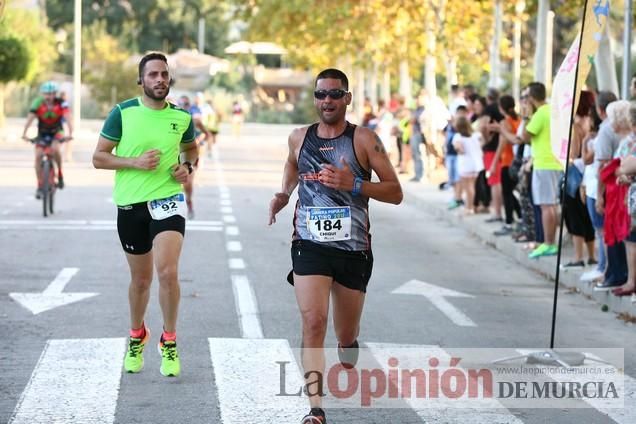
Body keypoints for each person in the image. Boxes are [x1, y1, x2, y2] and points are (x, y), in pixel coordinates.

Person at [268, 68, 403, 424]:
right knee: (313, 321)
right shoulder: (299, 137)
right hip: (309, 243)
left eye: (334, 94)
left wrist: (354, 184)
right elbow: (291, 164)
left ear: (347, 98)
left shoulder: (364, 140)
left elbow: (396, 192)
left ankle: (349, 343)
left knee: (345, 334)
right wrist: (284, 193)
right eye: (320, 94)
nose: (326, 100)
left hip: (353, 249)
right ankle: (315, 409)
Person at [92, 52, 198, 377]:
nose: (159, 80)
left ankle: (169, 340)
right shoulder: (122, 113)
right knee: (141, 281)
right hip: (131, 206)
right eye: (152, 74)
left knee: (167, 273)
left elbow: (191, 149)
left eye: (164, 74)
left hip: (167, 200)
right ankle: (137, 334)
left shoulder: (181, 117)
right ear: (142, 80)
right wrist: (134, 162)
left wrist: (188, 167)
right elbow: (98, 158)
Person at [517, 82, 563, 259]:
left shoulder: (540, 113)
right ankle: (549, 241)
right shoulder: (552, 110)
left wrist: (526, 116)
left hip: (544, 163)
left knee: (546, 206)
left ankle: (549, 243)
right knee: (550, 205)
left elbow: (524, 137)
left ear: (531, 98)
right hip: (554, 162)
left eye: (526, 96)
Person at [22, 81, 73, 198]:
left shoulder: (62, 103)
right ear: (42, 94)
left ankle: (60, 173)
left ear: (55, 94)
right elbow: (30, 119)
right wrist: (24, 133)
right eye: (46, 94)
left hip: (57, 132)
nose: (49, 97)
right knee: (38, 156)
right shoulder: (37, 103)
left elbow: (68, 118)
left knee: (55, 149)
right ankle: (40, 185)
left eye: (52, 94)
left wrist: (70, 133)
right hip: (42, 133)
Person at [179, 94, 209, 219]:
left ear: (189, 106)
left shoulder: (194, 120)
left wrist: (198, 139)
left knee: (188, 182)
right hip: (174, 154)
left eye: (185, 105)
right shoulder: (171, 119)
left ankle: (189, 201)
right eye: (180, 104)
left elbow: (206, 134)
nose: (182, 107)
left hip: (190, 154)